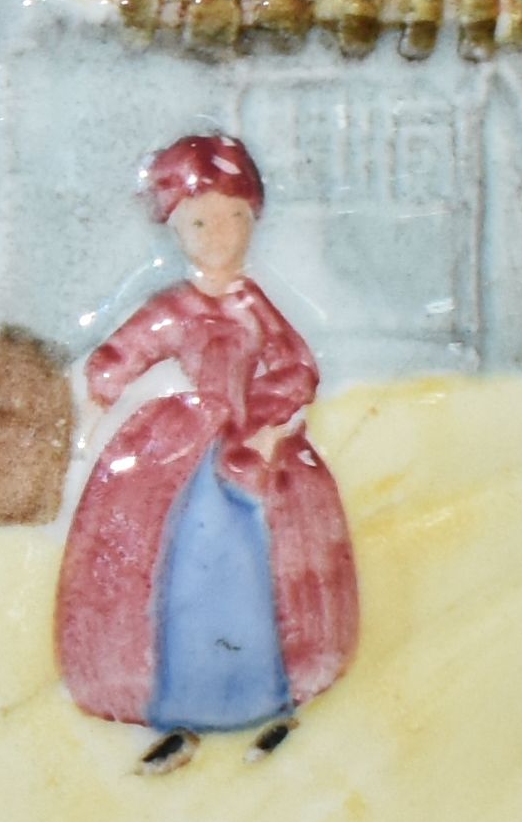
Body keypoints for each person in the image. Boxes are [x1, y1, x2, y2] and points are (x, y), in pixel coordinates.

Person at [58, 134, 358, 767]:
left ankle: (271, 704)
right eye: (199, 220)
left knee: (261, 574)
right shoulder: (177, 308)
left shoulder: (255, 308)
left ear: (252, 219)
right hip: (189, 451)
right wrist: (97, 401)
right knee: (176, 569)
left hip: (252, 450)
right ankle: (181, 713)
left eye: (233, 216)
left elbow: (296, 365)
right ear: (175, 227)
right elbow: (127, 349)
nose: (218, 233)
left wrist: (272, 428)